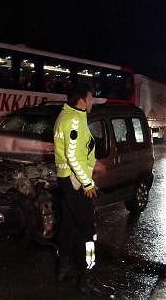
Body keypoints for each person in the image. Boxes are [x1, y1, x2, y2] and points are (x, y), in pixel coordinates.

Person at [53, 82, 114, 297]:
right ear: (81, 100)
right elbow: (72, 156)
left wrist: (92, 162)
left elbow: (76, 151)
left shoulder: (67, 115)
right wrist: (87, 183)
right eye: (91, 98)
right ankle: (88, 279)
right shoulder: (75, 122)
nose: (92, 101)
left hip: (67, 180)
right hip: (76, 182)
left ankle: (64, 268)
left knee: (68, 226)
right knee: (89, 232)